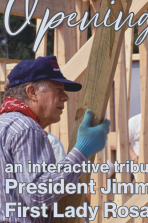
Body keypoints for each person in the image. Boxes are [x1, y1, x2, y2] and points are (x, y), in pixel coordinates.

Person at [0, 56, 111, 223]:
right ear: (32, 92)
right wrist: (82, 150)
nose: (65, 97)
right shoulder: (27, 128)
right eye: (58, 89)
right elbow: (36, 195)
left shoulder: (6, 124)